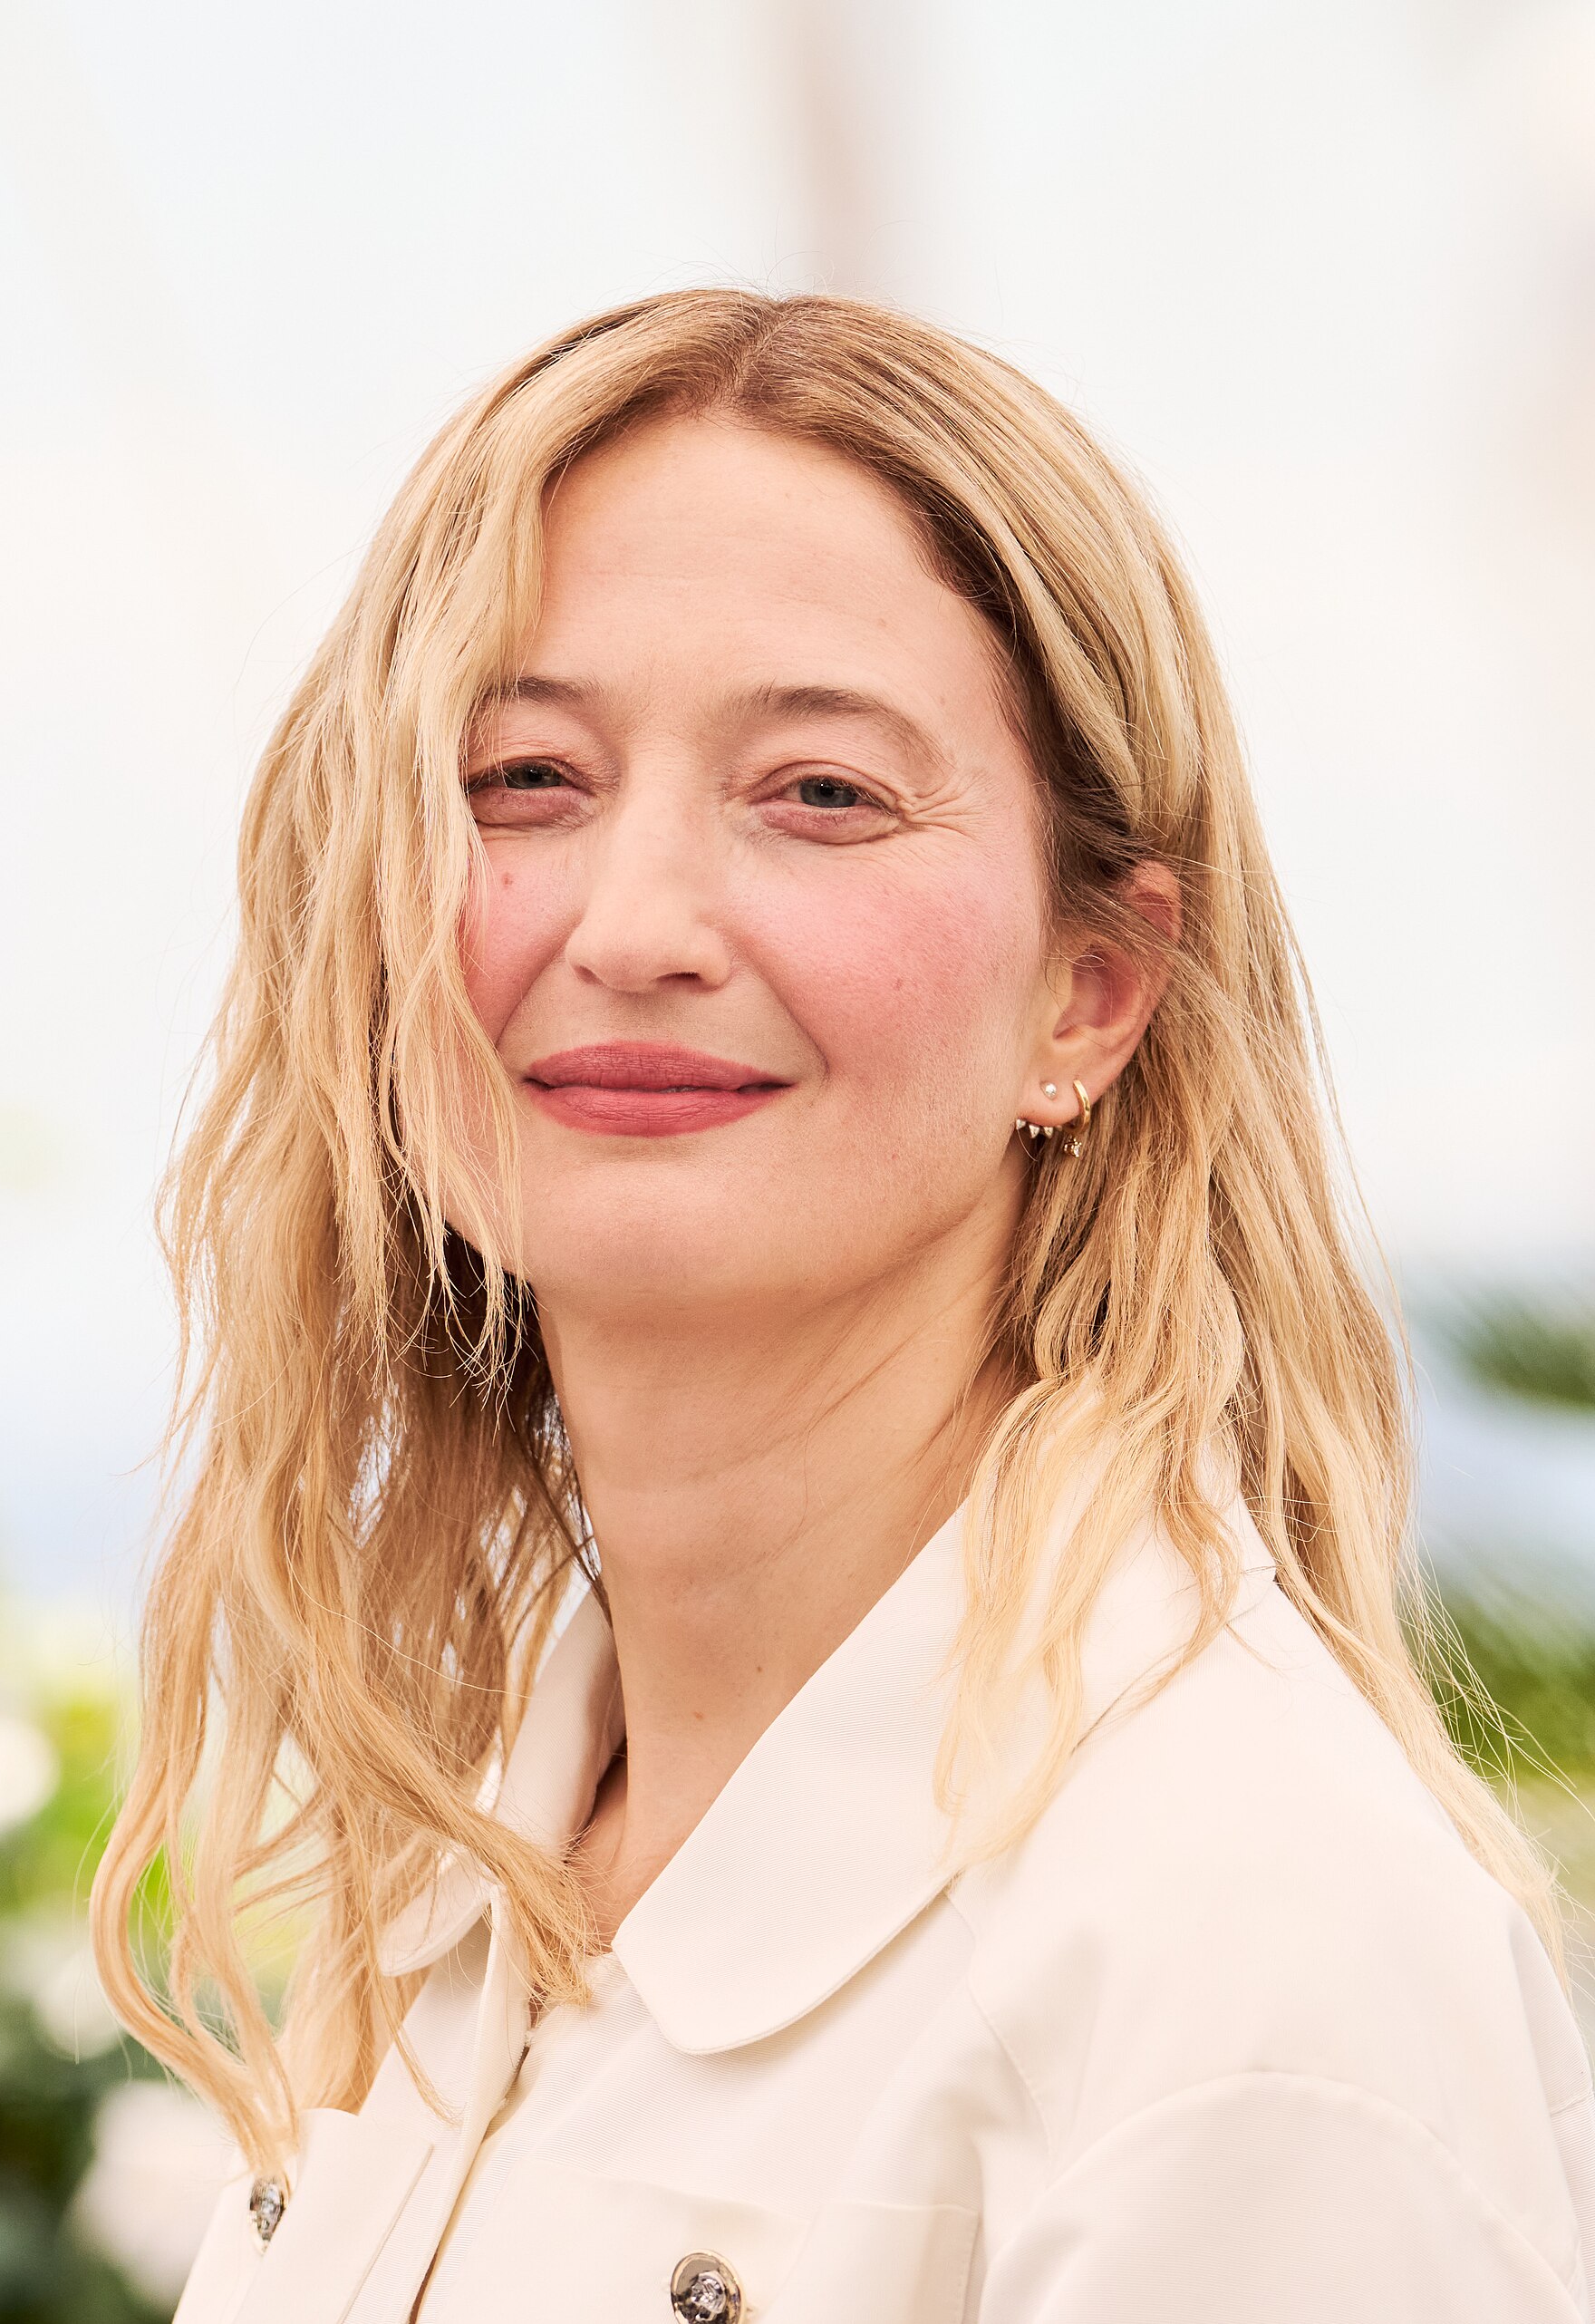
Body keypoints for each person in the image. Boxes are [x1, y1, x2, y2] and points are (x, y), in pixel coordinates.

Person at [94, 290, 1595, 2323]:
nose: (630, 927)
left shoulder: (1248, 1965)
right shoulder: (466, 1866)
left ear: (1094, 988)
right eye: (526, 776)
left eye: (820, 795)